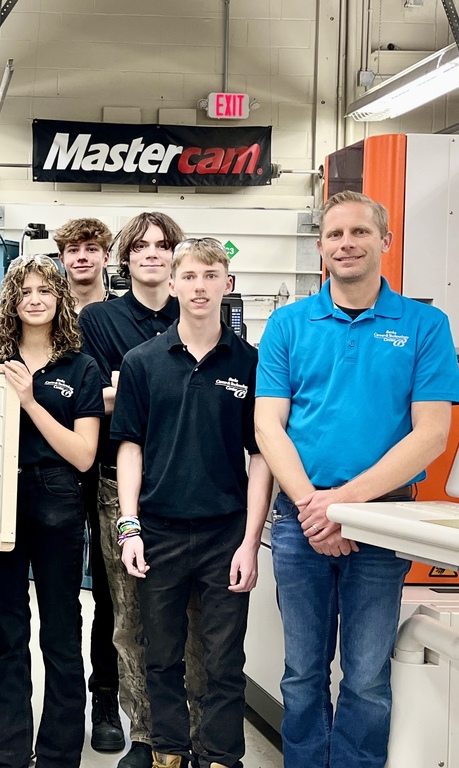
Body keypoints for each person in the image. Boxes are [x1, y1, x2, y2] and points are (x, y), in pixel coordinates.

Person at [255, 191, 459, 768]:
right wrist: (313, 510)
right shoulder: (288, 324)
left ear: (385, 242)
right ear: (320, 246)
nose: (346, 244)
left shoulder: (424, 325)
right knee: (301, 674)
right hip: (301, 524)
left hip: (383, 521)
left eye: (359, 233)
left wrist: (340, 507)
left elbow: (431, 435)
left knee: (368, 677)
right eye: (334, 234)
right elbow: (268, 426)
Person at [113, 238, 273, 768]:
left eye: (212, 275)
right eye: (191, 276)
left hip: (225, 534)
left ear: (228, 284)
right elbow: (130, 447)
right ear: (174, 284)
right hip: (158, 530)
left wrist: (251, 542)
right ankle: (168, 752)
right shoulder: (142, 363)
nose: (200, 286)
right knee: (161, 656)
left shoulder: (252, 363)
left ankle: (222, 755)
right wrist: (129, 527)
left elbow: (261, 456)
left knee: (225, 660)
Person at [78, 212, 206, 768]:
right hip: (118, 485)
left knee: (196, 625)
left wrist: (129, 387)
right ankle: (151, 739)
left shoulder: (199, 311)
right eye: (141, 246)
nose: (152, 254)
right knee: (129, 621)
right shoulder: (100, 319)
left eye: (163, 246)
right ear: (124, 258)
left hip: (193, 485)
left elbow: (128, 393)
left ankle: (198, 737)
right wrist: (165, 389)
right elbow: (96, 395)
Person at [0, 254, 104, 768]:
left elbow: (83, 454)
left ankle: (57, 754)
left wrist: (29, 401)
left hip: (59, 500)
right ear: (12, 299)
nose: (35, 299)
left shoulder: (81, 367)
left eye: (45, 291)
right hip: (1, 500)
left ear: (60, 300)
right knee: (9, 632)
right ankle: (7, 750)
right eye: (25, 290)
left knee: (61, 633)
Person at [55, 217, 123, 753]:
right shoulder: (41, 310)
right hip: (52, 470)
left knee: (109, 592)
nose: (81, 257)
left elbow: (133, 392)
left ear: (105, 256)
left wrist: (73, 401)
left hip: (108, 469)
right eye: (72, 249)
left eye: (91, 249)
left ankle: (107, 698)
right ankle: (64, 704)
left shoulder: (119, 318)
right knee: (58, 595)